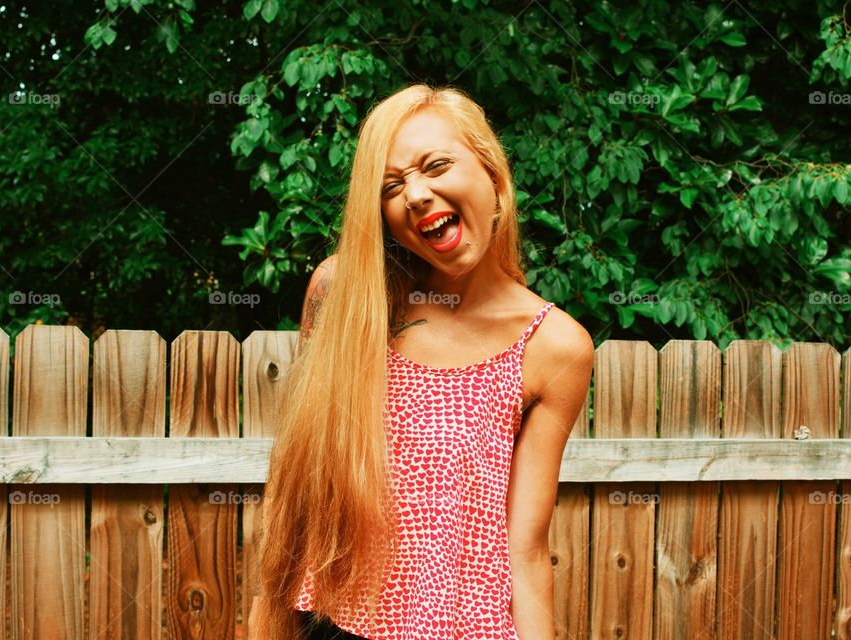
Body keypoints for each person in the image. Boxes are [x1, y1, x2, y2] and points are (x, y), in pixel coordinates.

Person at [249, 83, 593, 640]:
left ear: (491, 174)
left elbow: (526, 547)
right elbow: (295, 496)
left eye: (436, 165)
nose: (415, 194)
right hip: (334, 626)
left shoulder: (553, 346)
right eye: (391, 186)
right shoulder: (344, 297)